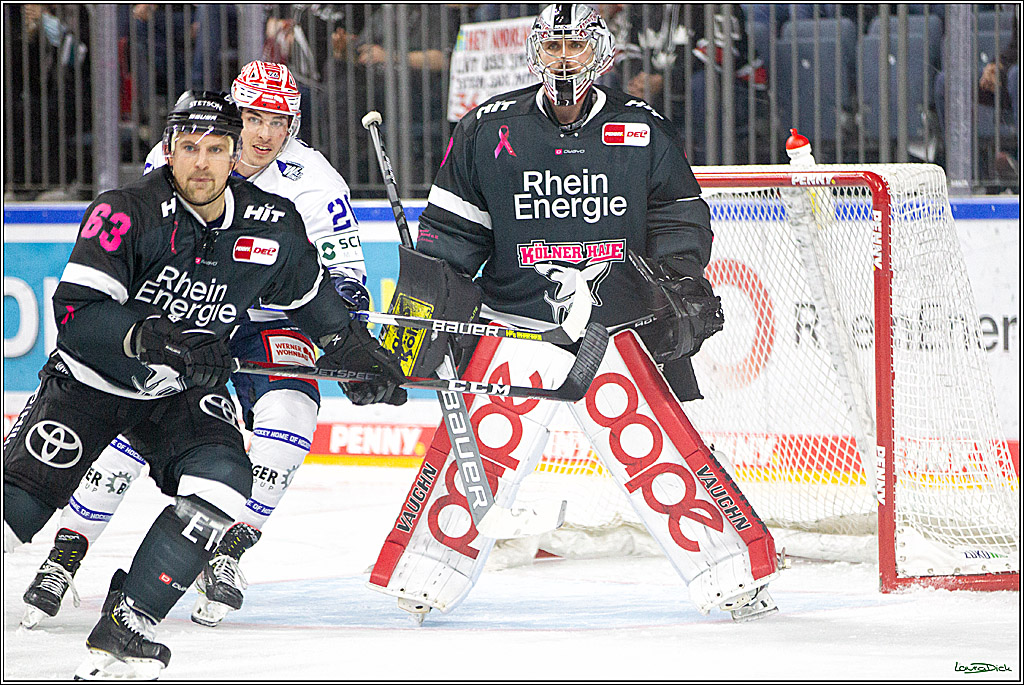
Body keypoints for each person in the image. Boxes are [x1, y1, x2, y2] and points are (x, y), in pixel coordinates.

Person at [365, 3, 779, 624]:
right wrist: (425, 307)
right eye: (555, 47)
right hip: (518, 320)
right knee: (483, 446)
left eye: (576, 49)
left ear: (601, 54)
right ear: (537, 52)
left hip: (616, 324)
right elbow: (452, 234)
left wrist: (679, 282)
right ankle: (426, 575)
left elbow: (678, 218)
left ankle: (732, 575)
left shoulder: (641, 127)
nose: (564, 60)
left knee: (652, 449)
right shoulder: (487, 126)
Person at [3, 90, 406, 679]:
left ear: (233, 152)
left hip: (179, 393)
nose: (201, 163)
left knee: (224, 480)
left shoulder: (273, 221)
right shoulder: (125, 210)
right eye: (188, 148)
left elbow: (315, 302)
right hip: (94, 384)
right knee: (16, 512)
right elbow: (76, 316)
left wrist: (356, 353)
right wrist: (152, 337)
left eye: (216, 149)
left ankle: (130, 619)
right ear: (168, 152)